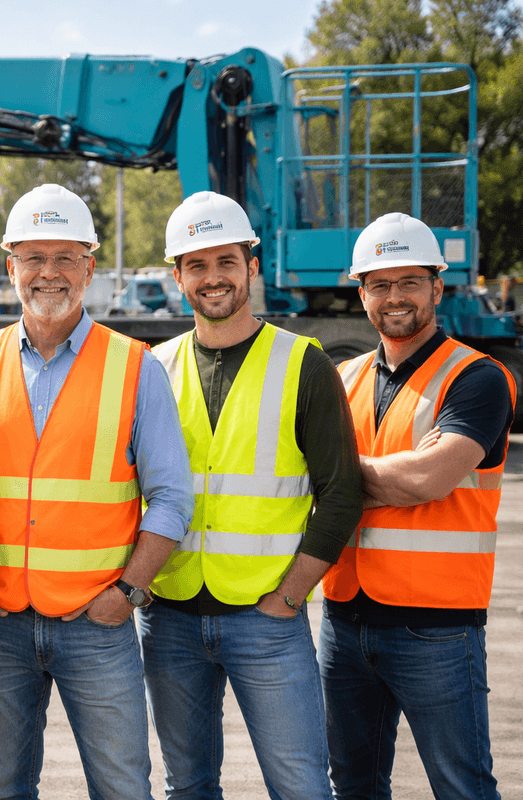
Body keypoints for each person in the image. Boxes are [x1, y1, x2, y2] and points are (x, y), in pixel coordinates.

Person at [0, 184, 193, 800]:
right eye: (33, 257)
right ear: (10, 267)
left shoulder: (135, 367)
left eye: (65, 258)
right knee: (4, 788)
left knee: (122, 788)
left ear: (89, 267)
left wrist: (129, 593)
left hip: (97, 624)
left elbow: (171, 498)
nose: (48, 273)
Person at [144, 191, 362, 799]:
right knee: (187, 786)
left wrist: (289, 597)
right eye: (196, 265)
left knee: (300, 787)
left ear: (252, 266)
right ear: (178, 276)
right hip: (170, 615)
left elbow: (341, 494)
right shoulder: (154, 368)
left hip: (266, 618)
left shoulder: (303, 363)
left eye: (226, 262)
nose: (212, 277)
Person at [321, 212, 513, 800]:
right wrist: (388, 477)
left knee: (462, 787)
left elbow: (429, 479)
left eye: (409, 281)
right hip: (344, 621)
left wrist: (341, 476)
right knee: (352, 786)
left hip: (436, 628)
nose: (395, 296)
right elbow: (307, 479)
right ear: (361, 293)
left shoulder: (476, 378)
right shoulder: (343, 378)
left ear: (437, 287)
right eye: (379, 283)